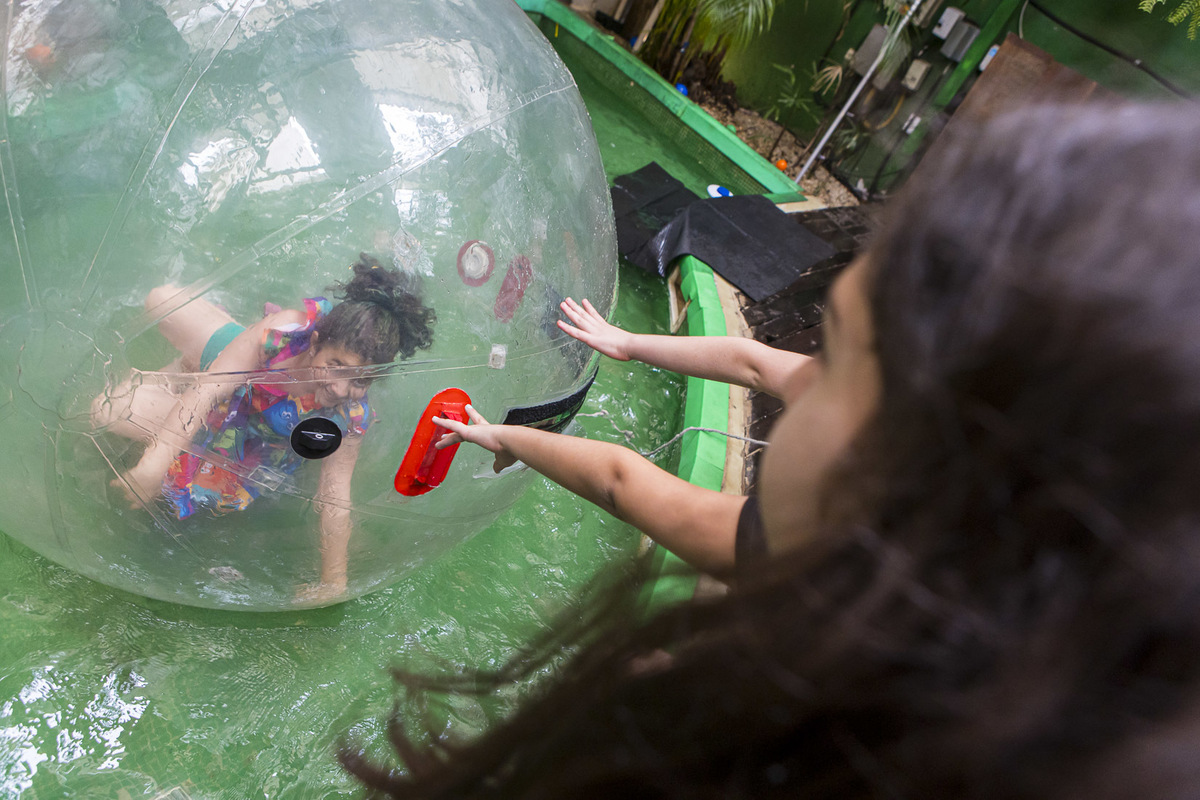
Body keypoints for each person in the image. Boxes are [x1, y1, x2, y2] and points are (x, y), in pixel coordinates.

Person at [342, 101, 1200, 797]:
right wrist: (614, 355)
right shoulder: (905, 580)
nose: (801, 376)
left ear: (924, 463)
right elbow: (723, 389)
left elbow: (631, 476)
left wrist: (504, 436)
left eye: (836, 350)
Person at [91, 253, 435, 599]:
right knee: (160, 300)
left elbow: (334, 495)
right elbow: (209, 389)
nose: (341, 389)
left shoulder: (349, 415)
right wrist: (153, 464)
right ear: (315, 343)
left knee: (105, 411)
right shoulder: (283, 336)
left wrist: (334, 582)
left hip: (242, 429)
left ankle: (176, 377)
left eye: (360, 380)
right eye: (335, 365)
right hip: (234, 373)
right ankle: (189, 365)